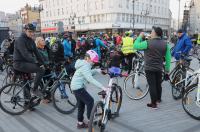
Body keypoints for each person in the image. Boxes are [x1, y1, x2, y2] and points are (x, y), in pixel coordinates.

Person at [134, 26, 171, 109]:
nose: (150, 33)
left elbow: (135, 46)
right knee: (158, 84)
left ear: (154, 33)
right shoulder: (165, 44)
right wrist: (167, 69)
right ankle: (158, 99)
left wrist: (140, 36)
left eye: (152, 32)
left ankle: (153, 104)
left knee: (152, 85)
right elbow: (168, 58)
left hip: (149, 68)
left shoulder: (147, 42)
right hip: (159, 68)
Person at [70, 50, 108, 129]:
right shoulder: (85, 65)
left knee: (81, 105)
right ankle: (90, 118)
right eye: (93, 61)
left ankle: (80, 123)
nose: (93, 63)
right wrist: (102, 87)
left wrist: (97, 70)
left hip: (75, 87)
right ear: (87, 58)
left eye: (95, 62)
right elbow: (90, 79)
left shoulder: (84, 64)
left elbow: (87, 73)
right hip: (78, 88)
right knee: (90, 101)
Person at [13, 23, 45, 110]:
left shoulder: (31, 40)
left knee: (26, 83)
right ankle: (34, 89)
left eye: (33, 32)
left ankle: (27, 104)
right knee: (40, 70)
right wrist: (36, 62)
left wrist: (44, 62)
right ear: (25, 31)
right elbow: (25, 54)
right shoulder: (20, 40)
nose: (32, 33)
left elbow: (37, 53)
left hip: (26, 63)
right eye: (30, 31)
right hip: (19, 63)